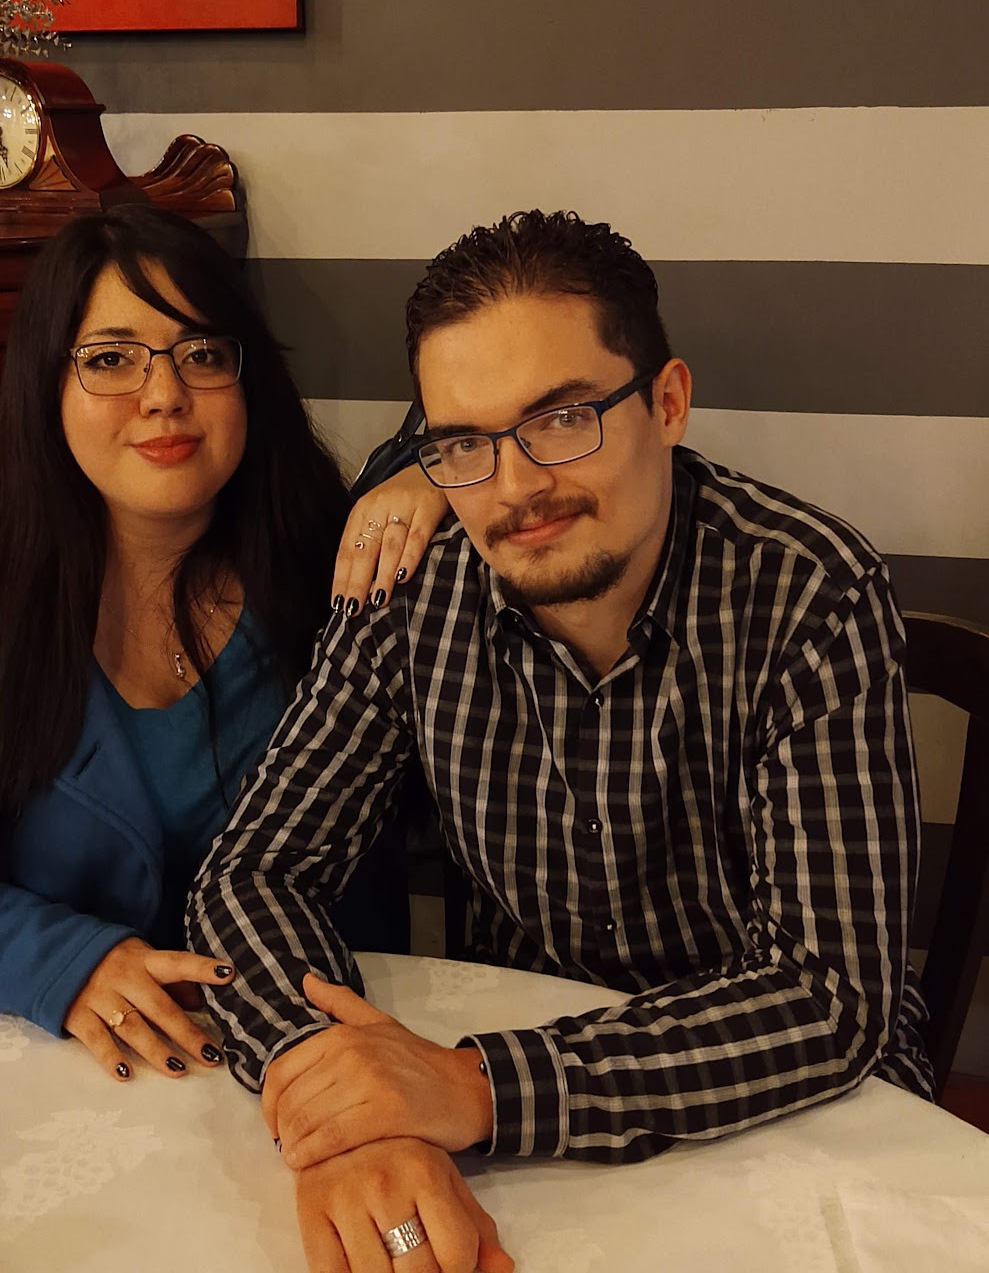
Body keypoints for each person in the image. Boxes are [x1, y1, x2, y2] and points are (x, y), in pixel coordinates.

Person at [189, 209, 933, 1273]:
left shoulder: (806, 592)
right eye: (463, 442)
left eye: (563, 417)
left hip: (780, 1099)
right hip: (520, 1142)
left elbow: (826, 997)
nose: (515, 486)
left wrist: (476, 1085)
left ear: (665, 402)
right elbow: (254, 870)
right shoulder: (411, 592)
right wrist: (346, 1090)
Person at [0, 202, 449, 1085]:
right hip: (81, 1076)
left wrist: (439, 476)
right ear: (45, 387)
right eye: (110, 359)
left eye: (202, 353)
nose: (164, 393)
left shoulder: (337, 571)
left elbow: (486, 421)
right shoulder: (12, 594)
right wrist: (62, 958)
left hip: (333, 1058)